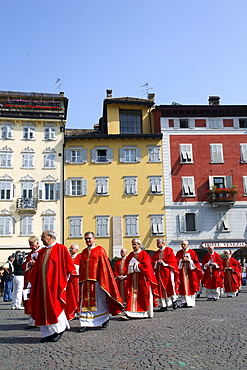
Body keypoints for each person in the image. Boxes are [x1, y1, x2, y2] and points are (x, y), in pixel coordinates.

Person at [28, 230, 77, 342]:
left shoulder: (61, 248)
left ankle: (59, 330)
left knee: (55, 307)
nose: (41, 239)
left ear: (50, 237)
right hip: (42, 286)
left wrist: (63, 282)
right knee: (43, 308)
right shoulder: (42, 252)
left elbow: (69, 267)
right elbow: (36, 270)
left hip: (56, 285)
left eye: (43, 237)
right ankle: (47, 333)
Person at [77, 232, 123, 333]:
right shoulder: (84, 252)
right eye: (86, 239)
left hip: (97, 281)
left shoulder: (100, 250)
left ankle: (104, 318)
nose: (88, 240)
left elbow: (104, 266)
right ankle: (85, 323)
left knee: (100, 302)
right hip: (86, 282)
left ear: (94, 238)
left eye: (89, 238)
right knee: (84, 303)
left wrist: (103, 280)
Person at [124, 239, 158, 319]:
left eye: (135, 244)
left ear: (139, 244)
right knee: (131, 295)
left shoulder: (144, 254)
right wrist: (131, 266)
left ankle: (143, 313)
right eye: (132, 244)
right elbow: (126, 265)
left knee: (143, 295)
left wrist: (137, 265)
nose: (133, 246)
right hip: (133, 279)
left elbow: (147, 266)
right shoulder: (131, 255)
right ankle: (130, 313)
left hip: (142, 279)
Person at [152, 238, 179, 311]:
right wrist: (157, 262)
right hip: (159, 273)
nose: (157, 244)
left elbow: (172, 260)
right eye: (157, 243)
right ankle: (163, 305)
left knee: (169, 287)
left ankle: (174, 301)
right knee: (160, 289)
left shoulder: (169, 250)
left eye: (158, 243)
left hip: (167, 272)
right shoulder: (157, 252)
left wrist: (163, 262)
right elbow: (153, 261)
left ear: (163, 243)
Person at [22, 236, 42, 328]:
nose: (31, 247)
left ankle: (39, 321)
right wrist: (28, 264)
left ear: (37, 243)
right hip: (30, 281)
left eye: (32, 245)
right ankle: (32, 322)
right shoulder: (30, 254)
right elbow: (25, 266)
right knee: (30, 300)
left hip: (39, 281)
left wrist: (36, 263)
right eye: (30, 245)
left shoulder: (42, 252)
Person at [176, 240, 203, 308]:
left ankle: (190, 303)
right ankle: (183, 302)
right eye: (182, 244)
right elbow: (176, 261)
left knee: (190, 287)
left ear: (188, 245)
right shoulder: (179, 252)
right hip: (182, 272)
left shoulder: (192, 252)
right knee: (182, 287)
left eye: (184, 244)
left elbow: (196, 262)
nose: (183, 246)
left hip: (190, 273)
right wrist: (181, 260)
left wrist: (189, 261)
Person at [65, 243, 80, 320]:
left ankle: (79, 310)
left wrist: (74, 270)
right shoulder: (68, 258)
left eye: (72, 248)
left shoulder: (79, 257)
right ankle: (72, 311)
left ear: (76, 250)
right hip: (69, 280)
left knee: (78, 295)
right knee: (71, 296)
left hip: (77, 279)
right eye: (70, 248)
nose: (70, 250)